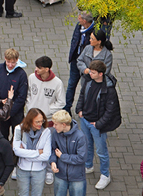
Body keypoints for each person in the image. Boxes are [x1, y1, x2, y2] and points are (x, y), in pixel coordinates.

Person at [75, 59, 119, 190]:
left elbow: (111, 111)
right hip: (85, 120)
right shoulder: (88, 82)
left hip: (96, 125)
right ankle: (88, 165)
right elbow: (82, 95)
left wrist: (99, 124)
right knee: (86, 145)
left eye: (93, 72)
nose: (90, 74)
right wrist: (79, 110)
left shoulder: (109, 90)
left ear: (101, 74)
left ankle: (105, 175)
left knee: (101, 151)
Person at [12, 109, 52, 196]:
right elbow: (16, 150)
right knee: (22, 194)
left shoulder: (46, 132)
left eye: (42, 121)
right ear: (30, 121)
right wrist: (38, 152)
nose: (40, 124)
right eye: (37, 122)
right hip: (22, 169)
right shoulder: (19, 129)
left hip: (39, 170)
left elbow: (46, 156)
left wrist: (25, 155)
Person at [48, 109, 87, 196]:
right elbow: (53, 150)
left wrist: (62, 156)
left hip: (77, 177)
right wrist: (53, 162)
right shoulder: (56, 133)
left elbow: (81, 158)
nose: (54, 126)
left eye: (56, 124)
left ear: (64, 124)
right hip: (60, 174)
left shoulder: (80, 137)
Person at [0, 47, 28, 132]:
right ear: (5, 59)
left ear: (17, 60)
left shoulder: (21, 74)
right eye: (8, 62)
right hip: (1, 110)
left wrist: (10, 113)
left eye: (13, 62)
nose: (10, 65)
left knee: (17, 136)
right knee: (2, 135)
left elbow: (22, 97)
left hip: (16, 112)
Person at [64, 13, 93, 112]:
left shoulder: (94, 31)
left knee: (86, 87)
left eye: (80, 18)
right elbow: (74, 40)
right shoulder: (79, 26)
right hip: (75, 61)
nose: (78, 19)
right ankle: (67, 107)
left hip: (87, 64)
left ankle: (83, 108)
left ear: (85, 21)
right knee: (71, 84)